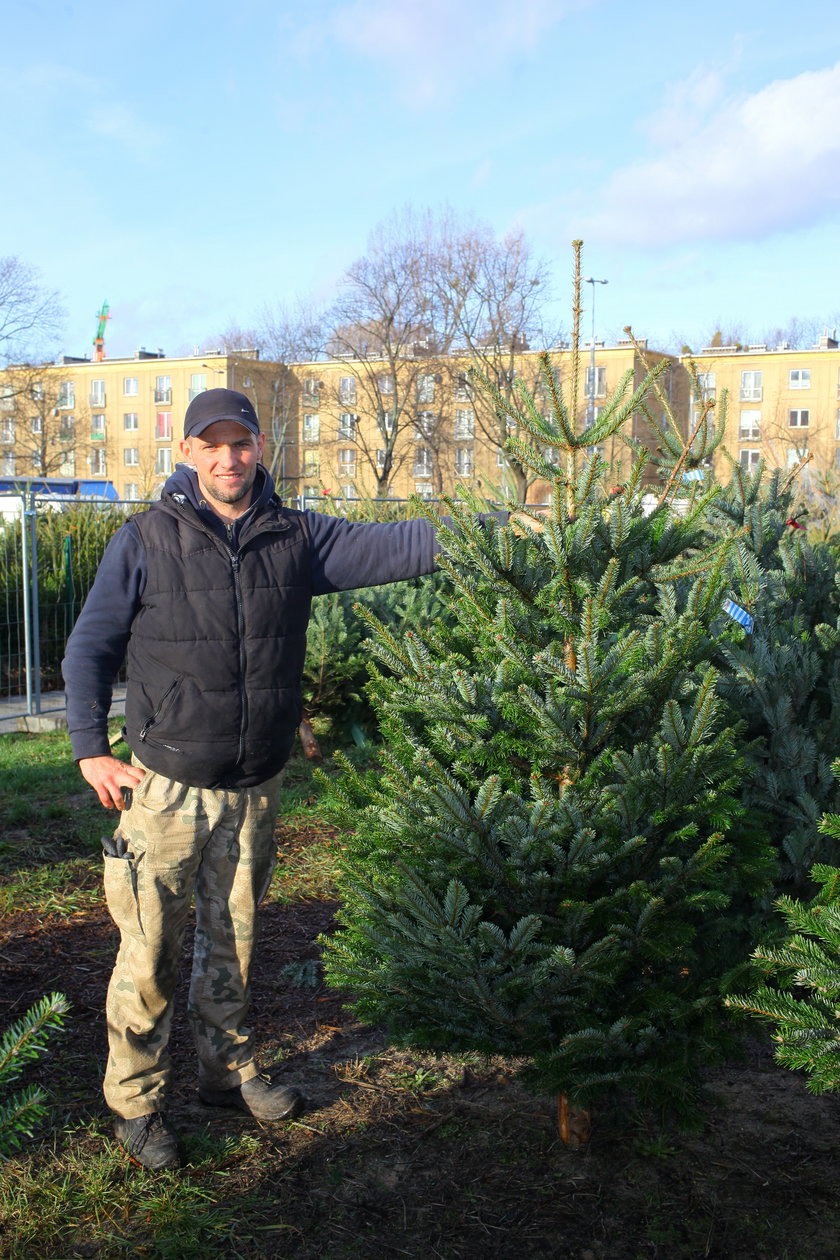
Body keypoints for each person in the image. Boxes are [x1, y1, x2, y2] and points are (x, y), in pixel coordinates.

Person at [62, 387, 460, 1170]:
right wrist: (89, 749)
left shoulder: (295, 537)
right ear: (187, 453)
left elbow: (400, 545)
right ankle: (136, 1105)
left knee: (235, 942)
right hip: (166, 788)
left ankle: (226, 1073)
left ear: (258, 448)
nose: (228, 458)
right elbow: (89, 648)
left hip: (253, 787)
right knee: (148, 954)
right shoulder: (145, 539)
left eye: (239, 443)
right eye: (211, 445)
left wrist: (501, 530)